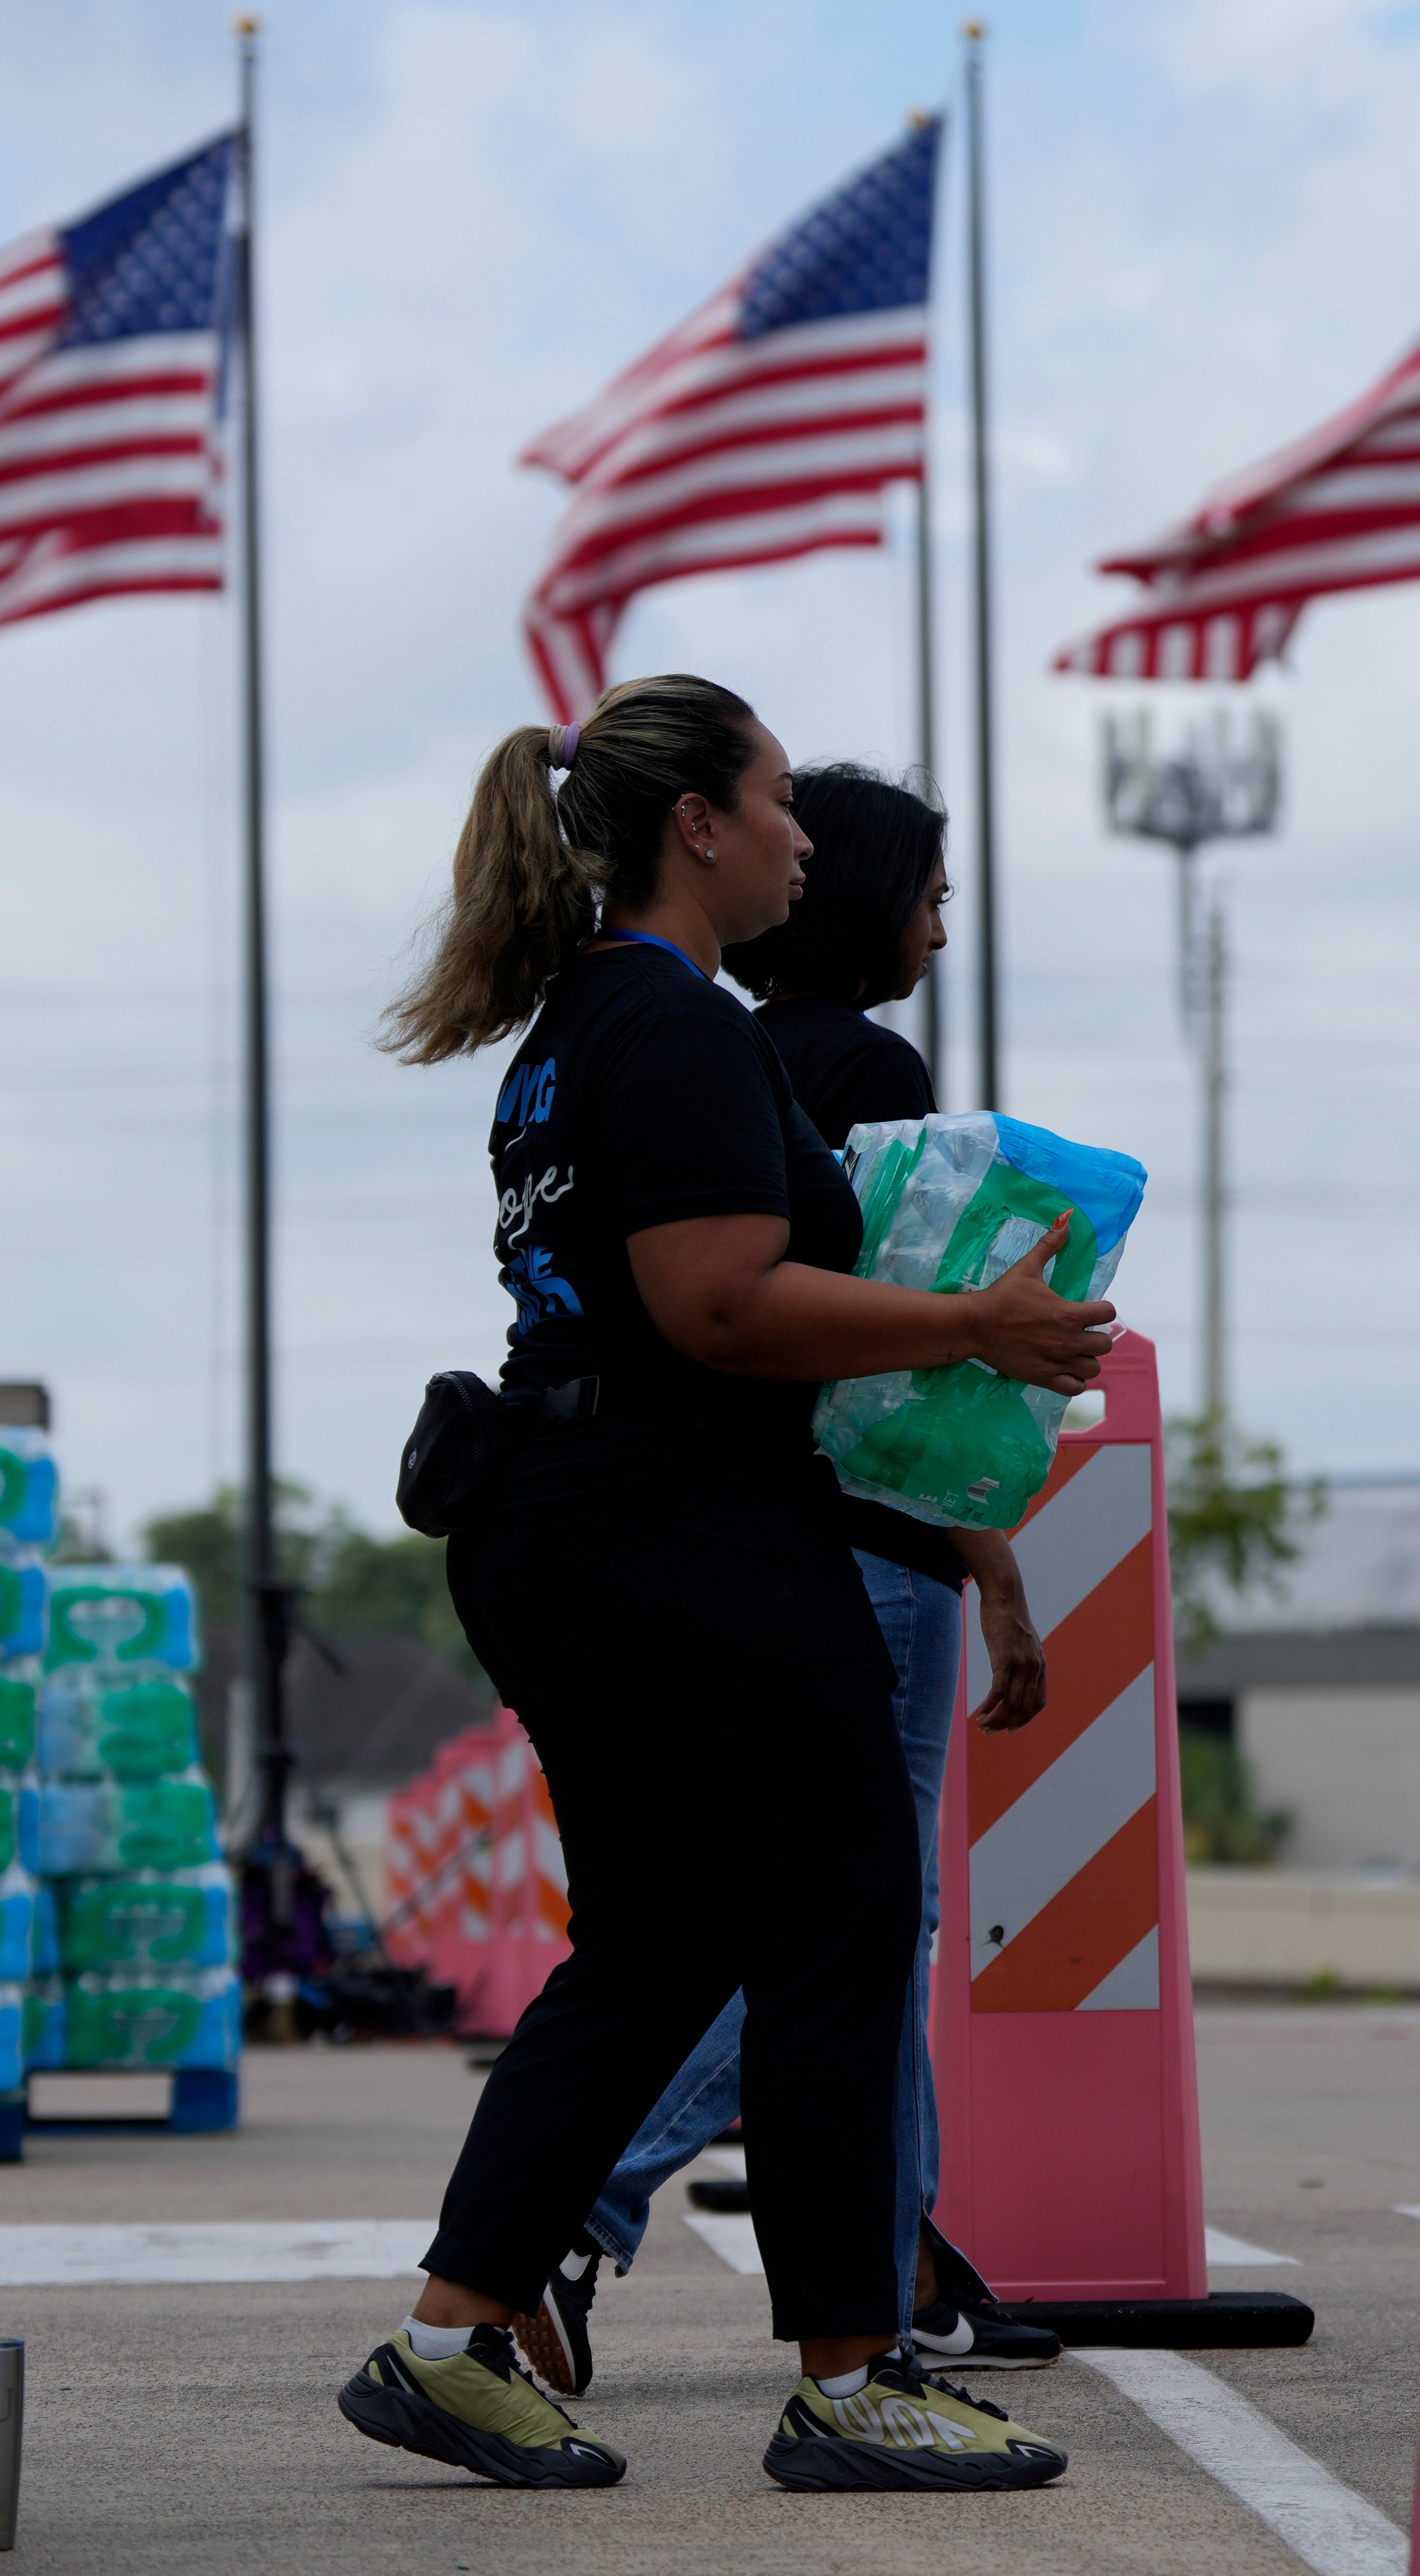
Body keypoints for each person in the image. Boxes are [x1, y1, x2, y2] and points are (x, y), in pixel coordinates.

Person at [349, 675, 1104, 2493]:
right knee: (841, 1917)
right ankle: (852, 2374)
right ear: (694, 822)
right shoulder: (673, 1024)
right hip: (675, 1530)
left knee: (659, 1946)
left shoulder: (574, 1028)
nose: (800, 837)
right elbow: (714, 1304)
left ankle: (451, 2336)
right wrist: (973, 1320)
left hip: (570, 1525)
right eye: (775, 800)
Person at [517, 762, 1067, 2398]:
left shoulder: (724, 1046)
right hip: (870, 1541)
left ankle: (899, 2267)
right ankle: (573, 2205)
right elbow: (884, 1347)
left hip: (725, 1523)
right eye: (930, 895)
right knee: (849, 1923)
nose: (938, 929)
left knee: (833, 1918)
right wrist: (988, 1551)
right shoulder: (865, 1068)